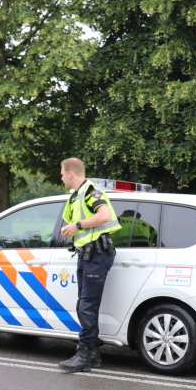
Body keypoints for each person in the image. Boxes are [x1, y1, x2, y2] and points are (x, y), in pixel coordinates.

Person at [58, 158, 121, 373]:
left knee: (87, 307)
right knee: (84, 306)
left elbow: (103, 216)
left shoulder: (90, 191)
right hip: (87, 255)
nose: (60, 177)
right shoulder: (77, 196)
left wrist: (76, 225)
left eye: (61, 172)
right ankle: (92, 354)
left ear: (70, 173)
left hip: (96, 255)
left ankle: (84, 353)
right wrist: (70, 230)